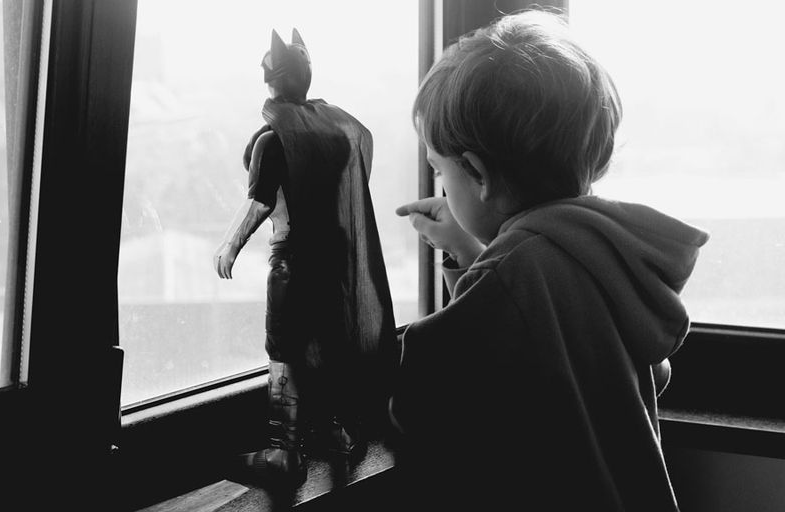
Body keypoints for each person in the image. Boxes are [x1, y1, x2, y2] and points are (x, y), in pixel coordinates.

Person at [390, 10, 708, 510]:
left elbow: (424, 401)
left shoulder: (514, 271)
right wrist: (470, 252)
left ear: (477, 173)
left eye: (439, 171)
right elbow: (651, 371)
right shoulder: (599, 246)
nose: (440, 187)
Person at [214, 29, 397, 485]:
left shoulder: (273, 140)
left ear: (272, 78)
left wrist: (230, 244)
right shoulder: (336, 129)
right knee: (331, 342)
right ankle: (337, 430)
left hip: (292, 258)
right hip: (334, 255)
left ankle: (284, 451)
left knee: (284, 348)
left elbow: (260, 202)